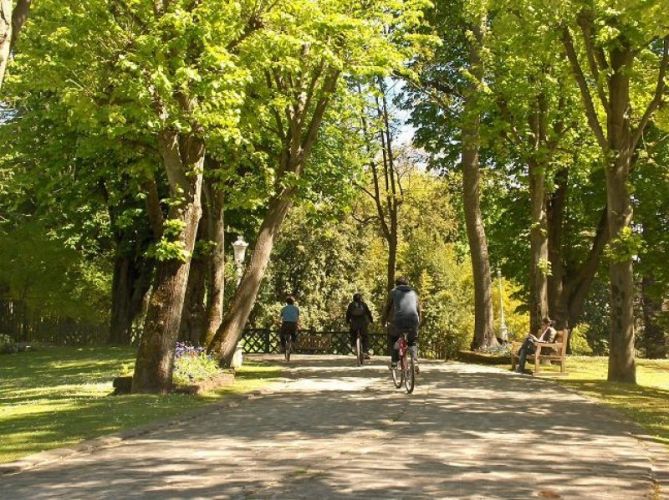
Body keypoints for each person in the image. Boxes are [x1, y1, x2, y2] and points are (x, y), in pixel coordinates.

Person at [383, 277, 421, 372]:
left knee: (394, 338)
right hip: (413, 319)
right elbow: (419, 310)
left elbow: (386, 308)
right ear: (407, 284)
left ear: (396, 284)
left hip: (398, 319)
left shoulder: (393, 292)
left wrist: (383, 322)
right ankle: (415, 361)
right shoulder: (413, 293)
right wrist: (418, 323)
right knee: (412, 341)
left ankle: (394, 362)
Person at [346, 293, 374, 358]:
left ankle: (353, 345)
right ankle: (365, 351)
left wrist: (347, 321)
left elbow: (348, 314)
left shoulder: (351, 305)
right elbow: (368, 313)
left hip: (354, 324)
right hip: (363, 324)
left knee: (352, 333)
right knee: (365, 337)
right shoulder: (364, 305)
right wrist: (371, 320)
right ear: (360, 298)